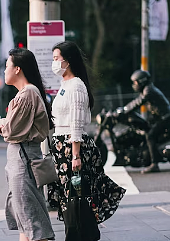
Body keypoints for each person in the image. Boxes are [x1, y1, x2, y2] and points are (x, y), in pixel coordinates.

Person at [46, 41, 125, 241]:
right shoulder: (64, 85)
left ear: (68, 60)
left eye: (57, 59)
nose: (54, 63)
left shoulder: (77, 85)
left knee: (77, 195)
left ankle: (80, 233)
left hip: (71, 149)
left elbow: (76, 123)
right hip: (61, 148)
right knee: (69, 196)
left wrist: (75, 154)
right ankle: (80, 232)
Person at [0, 48, 55, 241]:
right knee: (25, 218)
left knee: (32, 221)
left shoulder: (27, 93)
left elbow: (11, 131)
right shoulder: (26, 92)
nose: (4, 71)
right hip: (21, 157)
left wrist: (3, 123)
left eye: (7, 66)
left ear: (17, 69)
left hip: (23, 159)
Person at [122, 70, 170, 174]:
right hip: (160, 118)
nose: (134, 85)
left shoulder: (148, 90)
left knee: (150, 136)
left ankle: (154, 164)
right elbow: (138, 100)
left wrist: (125, 110)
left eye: (135, 82)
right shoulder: (147, 88)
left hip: (165, 118)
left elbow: (139, 101)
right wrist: (124, 109)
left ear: (142, 81)